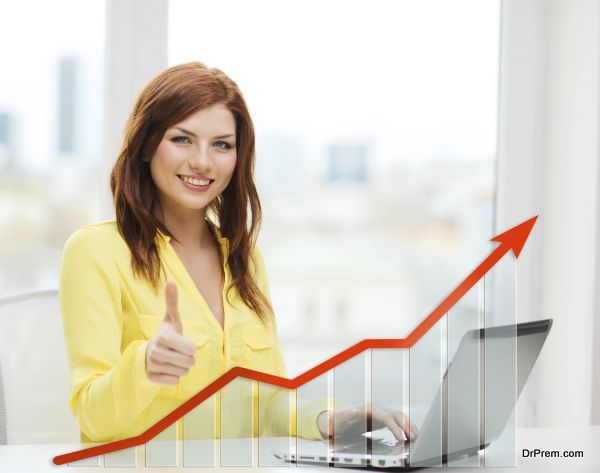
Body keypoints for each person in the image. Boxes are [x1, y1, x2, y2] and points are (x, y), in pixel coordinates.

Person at [59, 61, 415, 445]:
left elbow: (268, 405)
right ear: (146, 145)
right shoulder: (95, 252)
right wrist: (145, 366)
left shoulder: (244, 260)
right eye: (181, 139)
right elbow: (94, 419)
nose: (202, 161)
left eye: (221, 145)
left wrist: (331, 419)